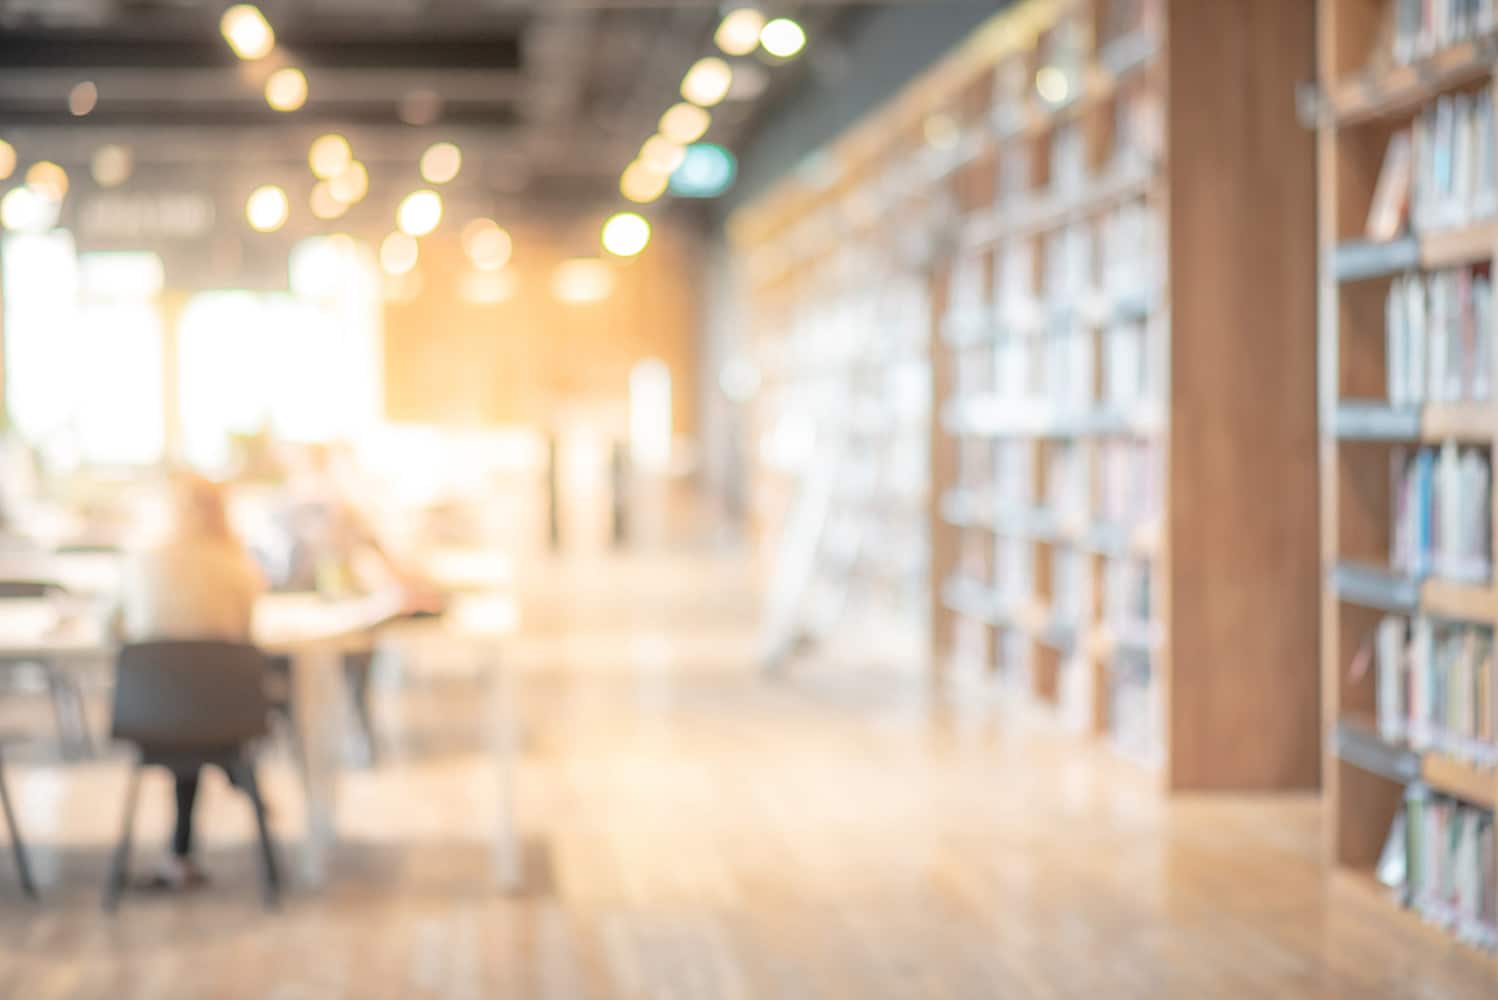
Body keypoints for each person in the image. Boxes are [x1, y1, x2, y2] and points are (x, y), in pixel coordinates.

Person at [114, 473, 265, 889]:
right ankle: (237, 784)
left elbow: (107, 628)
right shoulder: (241, 568)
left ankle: (179, 853)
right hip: (227, 717)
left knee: (181, 705)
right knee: (201, 704)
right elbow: (245, 634)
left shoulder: (140, 562)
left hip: (152, 715)